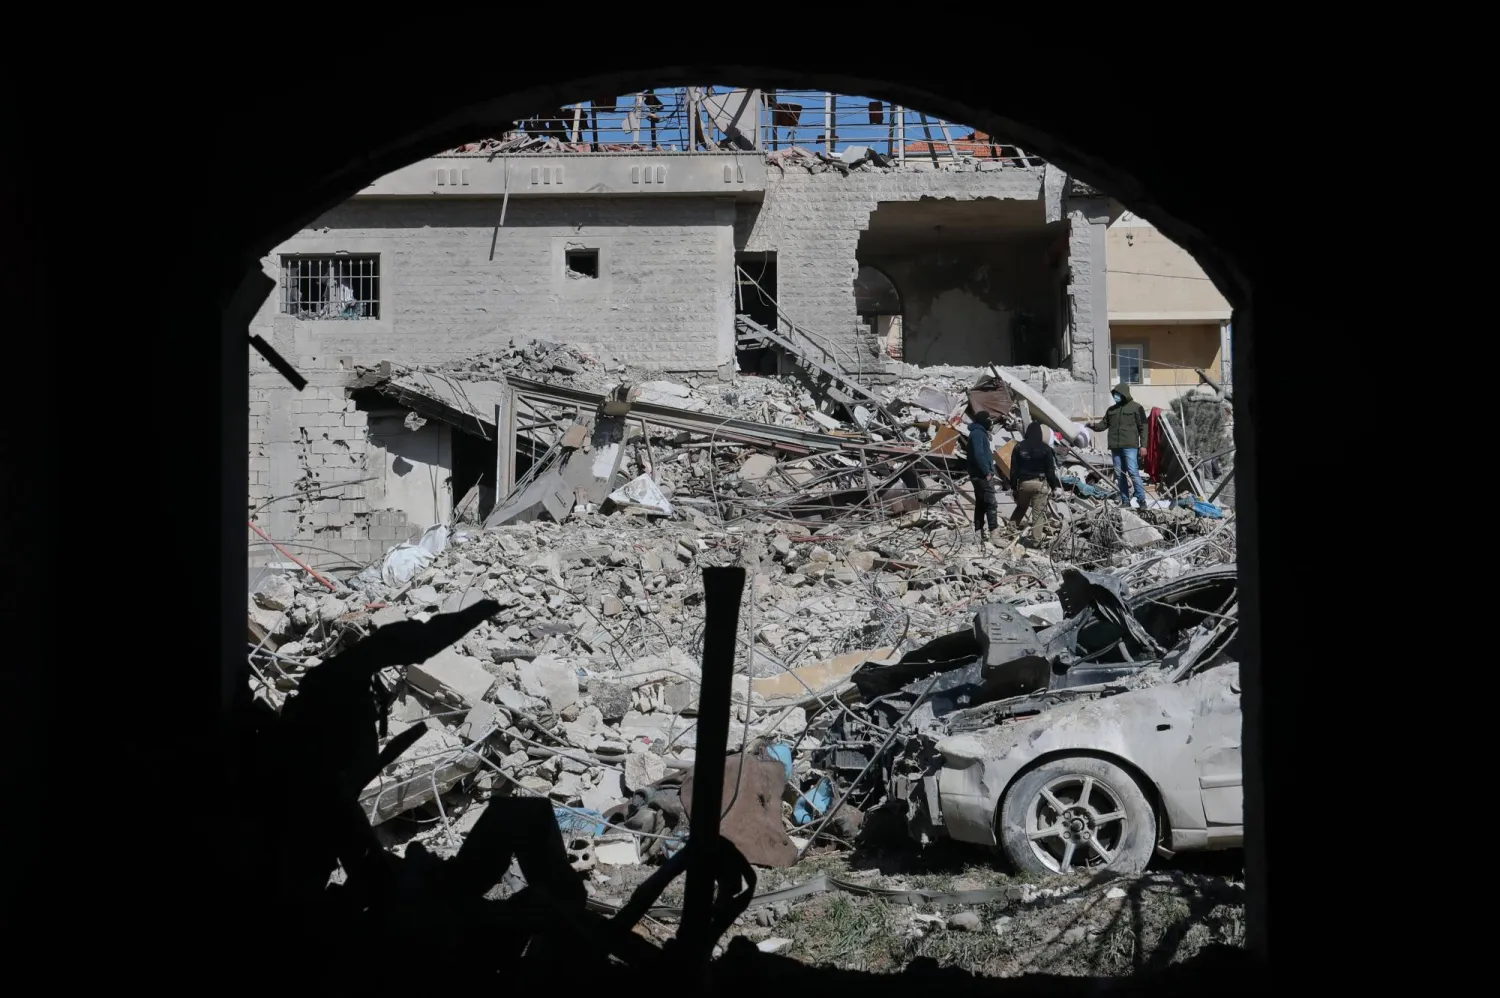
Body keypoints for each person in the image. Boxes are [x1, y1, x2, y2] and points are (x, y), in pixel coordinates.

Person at [1090, 382, 1148, 508]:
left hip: (1130, 446)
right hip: (1115, 447)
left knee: (1133, 472)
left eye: (1118, 394)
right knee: (1119, 474)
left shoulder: (1136, 408)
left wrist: (1144, 445)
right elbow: (1103, 425)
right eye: (1115, 394)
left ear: (1124, 394)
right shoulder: (1111, 410)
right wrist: (1092, 426)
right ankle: (1125, 501)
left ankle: (1141, 500)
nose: (1116, 396)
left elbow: (1143, 427)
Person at [1009, 421, 1062, 545]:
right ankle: (1035, 541)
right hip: (1040, 484)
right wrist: (1055, 487)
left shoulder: (1018, 446)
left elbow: (1014, 470)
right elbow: (1050, 471)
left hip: (1023, 484)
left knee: (1021, 507)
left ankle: (1009, 532)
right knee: (1038, 513)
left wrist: (1013, 487)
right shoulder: (1046, 448)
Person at [965, 410, 1001, 544]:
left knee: (980, 504)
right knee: (991, 503)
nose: (991, 422)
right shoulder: (978, 434)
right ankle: (994, 535)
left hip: (978, 474)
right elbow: (979, 454)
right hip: (981, 475)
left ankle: (978, 533)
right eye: (988, 419)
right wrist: (987, 471)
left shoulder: (978, 433)